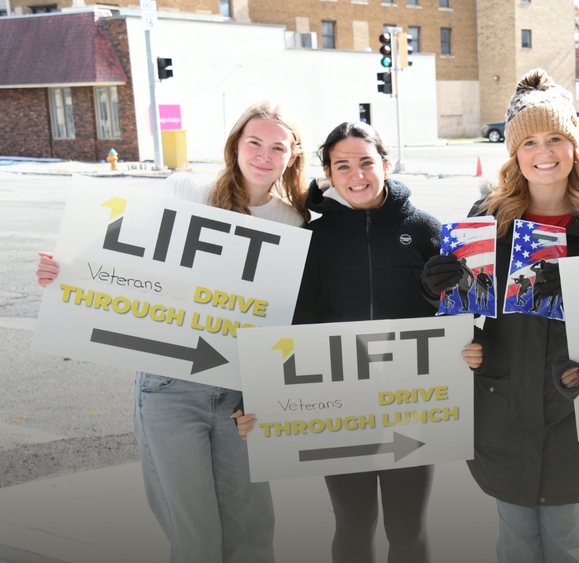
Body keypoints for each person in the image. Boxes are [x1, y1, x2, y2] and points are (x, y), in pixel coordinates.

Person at [35, 100, 310, 563]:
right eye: (254, 142)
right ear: (236, 146)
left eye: (277, 147)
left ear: (292, 155)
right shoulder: (187, 190)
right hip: (170, 388)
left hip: (242, 394)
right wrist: (64, 272)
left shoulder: (294, 221)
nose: (264, 155)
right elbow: (125, 250)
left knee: (252, 534)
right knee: (195, 538)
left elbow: (287, 313)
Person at [236, 121, 449, 563]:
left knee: (409, 530)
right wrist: (259, 392)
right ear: (328, 176)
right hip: (339, 407)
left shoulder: (428, 229)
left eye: (367, 162)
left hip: (412, 404)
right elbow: (291, 324)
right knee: (354, 524)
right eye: (343, 166)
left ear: (386, 165)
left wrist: (449, 320)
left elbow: (458, 314)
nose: (357, 176)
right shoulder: (313, 239)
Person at [423, 68, 579, 562]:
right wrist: (440, 292)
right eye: (529, 142)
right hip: (503, 407)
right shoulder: (488, 217)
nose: (543, 153)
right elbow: (462, 318)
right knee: (517, 543)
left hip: (577, 403)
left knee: (571, 540)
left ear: (574, 146)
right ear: (514, 153)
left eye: (555, 139)